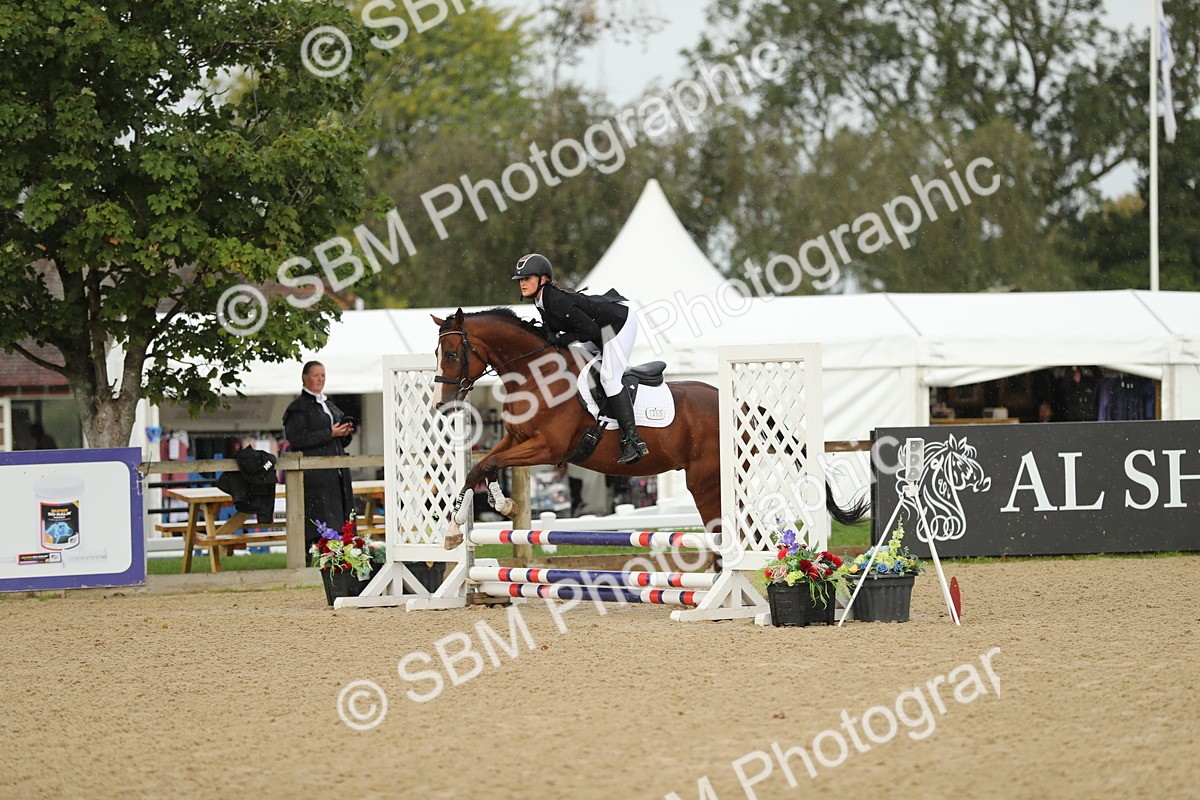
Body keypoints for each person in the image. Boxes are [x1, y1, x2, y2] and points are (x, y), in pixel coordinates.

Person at [512, 252, 649, 464]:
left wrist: (560, 338)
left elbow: (591, 331)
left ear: (543, 279)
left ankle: (633, 440)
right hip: (599, 328)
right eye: (520, 279)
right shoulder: (541, 300)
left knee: (609, 379)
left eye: (527, 278)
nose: (522, 283)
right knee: (579, 366)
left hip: (618, 324)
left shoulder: (556, 300)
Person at [282, 361, 354, 558]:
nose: (320, 379)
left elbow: (339, 441)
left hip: (336, 471)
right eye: (315, 375)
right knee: (320, 517)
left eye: (323, 375)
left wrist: (344, 432)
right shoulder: (298, 408)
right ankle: (316, 556)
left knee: (340, 515)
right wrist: (328, 433)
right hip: (315, 473)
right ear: (305, 378)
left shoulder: (329, 404)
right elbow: (296, 439)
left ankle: (341, 556)